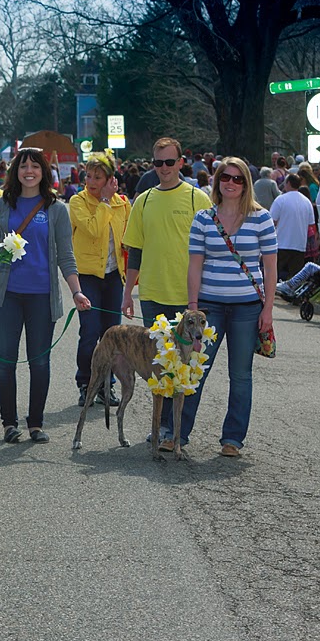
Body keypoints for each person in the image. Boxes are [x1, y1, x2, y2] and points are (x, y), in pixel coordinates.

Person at [0, 147, 91, 444]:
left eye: (35, 166)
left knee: (40, 363)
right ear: (15, 171)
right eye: (23, 166)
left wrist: (77, 291)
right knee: (5, 362)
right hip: (7, 296)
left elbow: (66, 256)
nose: (29, 171)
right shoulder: (1, 206)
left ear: (44, 172)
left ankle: (35, 423)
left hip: (42, 298)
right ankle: (9, 422)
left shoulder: (56, 209)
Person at [184, 157, 277, 457]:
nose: (231, 183)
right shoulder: (203, 218)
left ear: (246, 183)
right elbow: (194, 266)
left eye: (238, 179)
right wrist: (192, 307)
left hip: (247, 307)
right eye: (226, 177)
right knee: (196, 368)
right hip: (208, 307)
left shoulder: (261, 218)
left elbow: (271, 270)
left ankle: (232, 439)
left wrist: (268, 310)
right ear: (217, 181)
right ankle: (176, 432)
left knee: (240, 374)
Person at [121, 137, 206, 445]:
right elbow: (136, 251)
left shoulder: (198, 199)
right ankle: (162, 427)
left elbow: (211, 247)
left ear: (181, 162)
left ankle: (177, 430)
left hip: (188, 298)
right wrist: (127, 291)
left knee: (187, 368)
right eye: (158, 163)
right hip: (154, 295)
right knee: (161, 366)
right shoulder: (143, 200)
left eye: (170, 162)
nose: (164, 168)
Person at [69, 151, 130, 407]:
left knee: (111, 334)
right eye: (88, 176)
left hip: (114, 275)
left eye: (98, 177)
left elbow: (127, 240)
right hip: (87, 276)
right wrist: (104, 202)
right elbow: (93, 229)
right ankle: (86, 383)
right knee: (90, 332)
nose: (91, 181)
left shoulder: (122, 204)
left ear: (109, 179)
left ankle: (107, 386)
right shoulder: (77, 202)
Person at [269, 173, 315, 280]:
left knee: (277, 275)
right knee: (295, 278)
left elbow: (272, 222)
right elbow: (311, 224)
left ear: (288, 183)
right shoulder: (306, 202)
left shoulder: (280, 200)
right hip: (299, 245)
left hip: (282, 244)